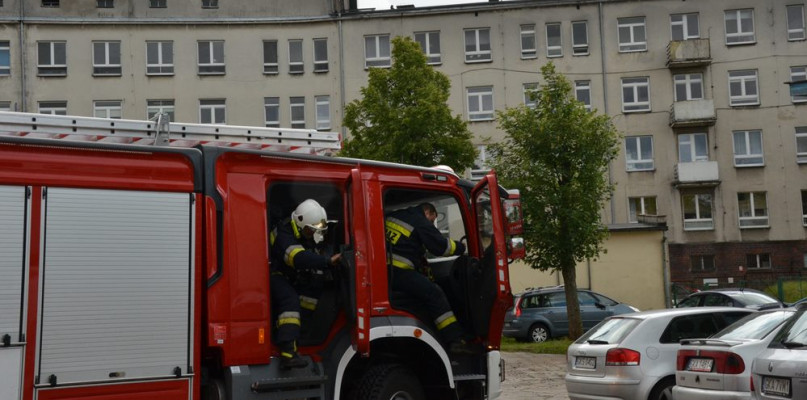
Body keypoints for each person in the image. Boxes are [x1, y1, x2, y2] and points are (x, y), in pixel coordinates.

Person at [385, 202, 477, 355]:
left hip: (383, 274)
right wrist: (462, 248)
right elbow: (441, 247)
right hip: (400, 273)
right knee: (434, 293)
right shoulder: (420, 221)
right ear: (428, 212)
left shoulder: (395, 215)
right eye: (432, 219)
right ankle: (454, 340)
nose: (432, 223)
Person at [270, 199, 341, 369]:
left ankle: (299, 340)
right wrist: (327, 261)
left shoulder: (300, 231)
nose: (311, 234)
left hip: (288, 275)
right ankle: (287, 354)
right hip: (273, 274)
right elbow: (297, 258)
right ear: (301, 222)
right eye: (310, 230)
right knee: (290, 301)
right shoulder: (284, 232)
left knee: (310, 295)